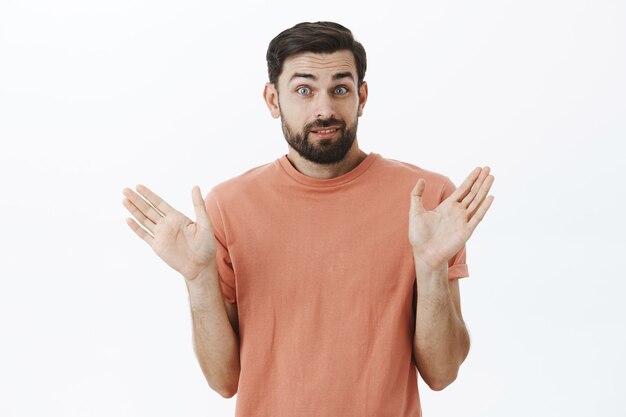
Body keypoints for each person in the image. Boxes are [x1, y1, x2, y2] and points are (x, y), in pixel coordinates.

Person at [121, 21, 494, 417]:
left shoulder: (427, 202)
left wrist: (432, 267)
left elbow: (443, 372)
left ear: (361, 96)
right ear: (272, 99)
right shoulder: (229, 206)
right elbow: (223, 380)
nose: (324, 108)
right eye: (304, 90)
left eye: (340, 88)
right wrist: (198, 280)